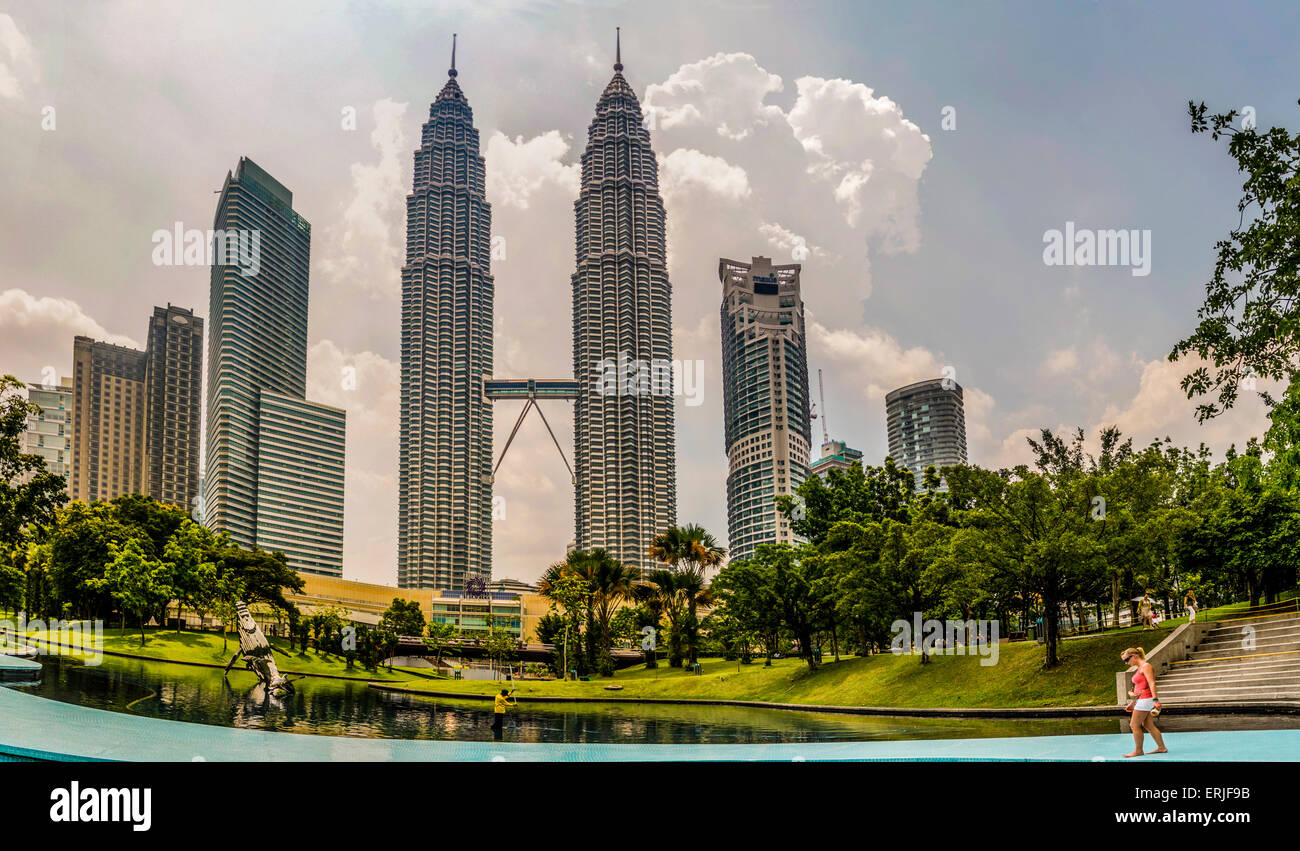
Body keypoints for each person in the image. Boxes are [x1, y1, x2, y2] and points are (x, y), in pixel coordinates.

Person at [1121, 647, 1167, 757]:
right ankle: (1161, 747)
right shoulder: (1140, 668)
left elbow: (1152, 683)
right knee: (1147, 724)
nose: (1126, 663)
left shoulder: (1146, 666)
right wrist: (1133, 703)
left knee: (1134, 724)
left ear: (1134, 656)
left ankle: (1138, 751)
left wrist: (1156, 700)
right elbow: (1139, 687)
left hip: (1146, 699)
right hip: (1142, 699)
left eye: (1127, 660)